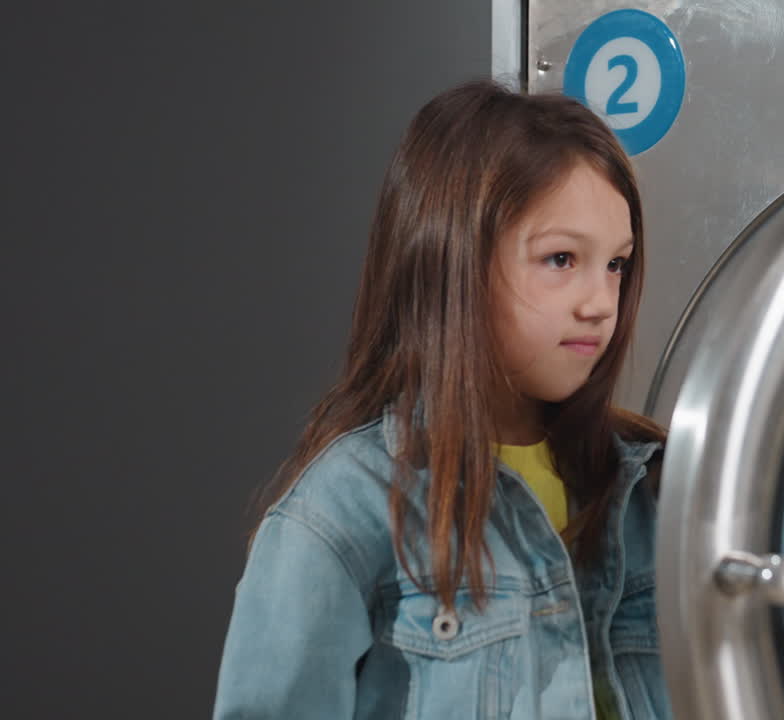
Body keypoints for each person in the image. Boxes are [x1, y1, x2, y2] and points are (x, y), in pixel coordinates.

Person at [213, 80, 668, 719]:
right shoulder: (344, 515)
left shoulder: (647, 492)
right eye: (561, 258)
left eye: (616, 264)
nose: (599, 303)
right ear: (453, 261)